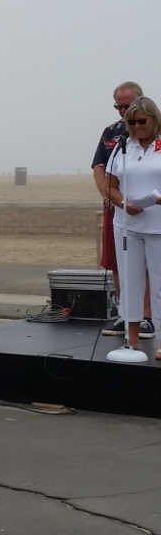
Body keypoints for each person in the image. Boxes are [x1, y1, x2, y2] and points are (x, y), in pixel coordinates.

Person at [92, 80, 153, 336]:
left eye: (127, 105)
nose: (122, 111)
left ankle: (147, 316)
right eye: (118, 106)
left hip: (150, 212)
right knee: (119, 264)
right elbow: (99, 167)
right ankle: (126, 313)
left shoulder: (153, 130)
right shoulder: (112, 133)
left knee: (148, 265)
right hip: (117, 209)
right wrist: (109, 196)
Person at [105, 96, 161, 355]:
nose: (137, 126)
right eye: (132, 122)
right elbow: (110, 186)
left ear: (154, 118)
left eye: (142, 121)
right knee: (130, 283)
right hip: (127, 225)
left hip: (158, 225)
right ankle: (132, 339)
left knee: (159, 285)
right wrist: (123, 203)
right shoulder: (122, 147)